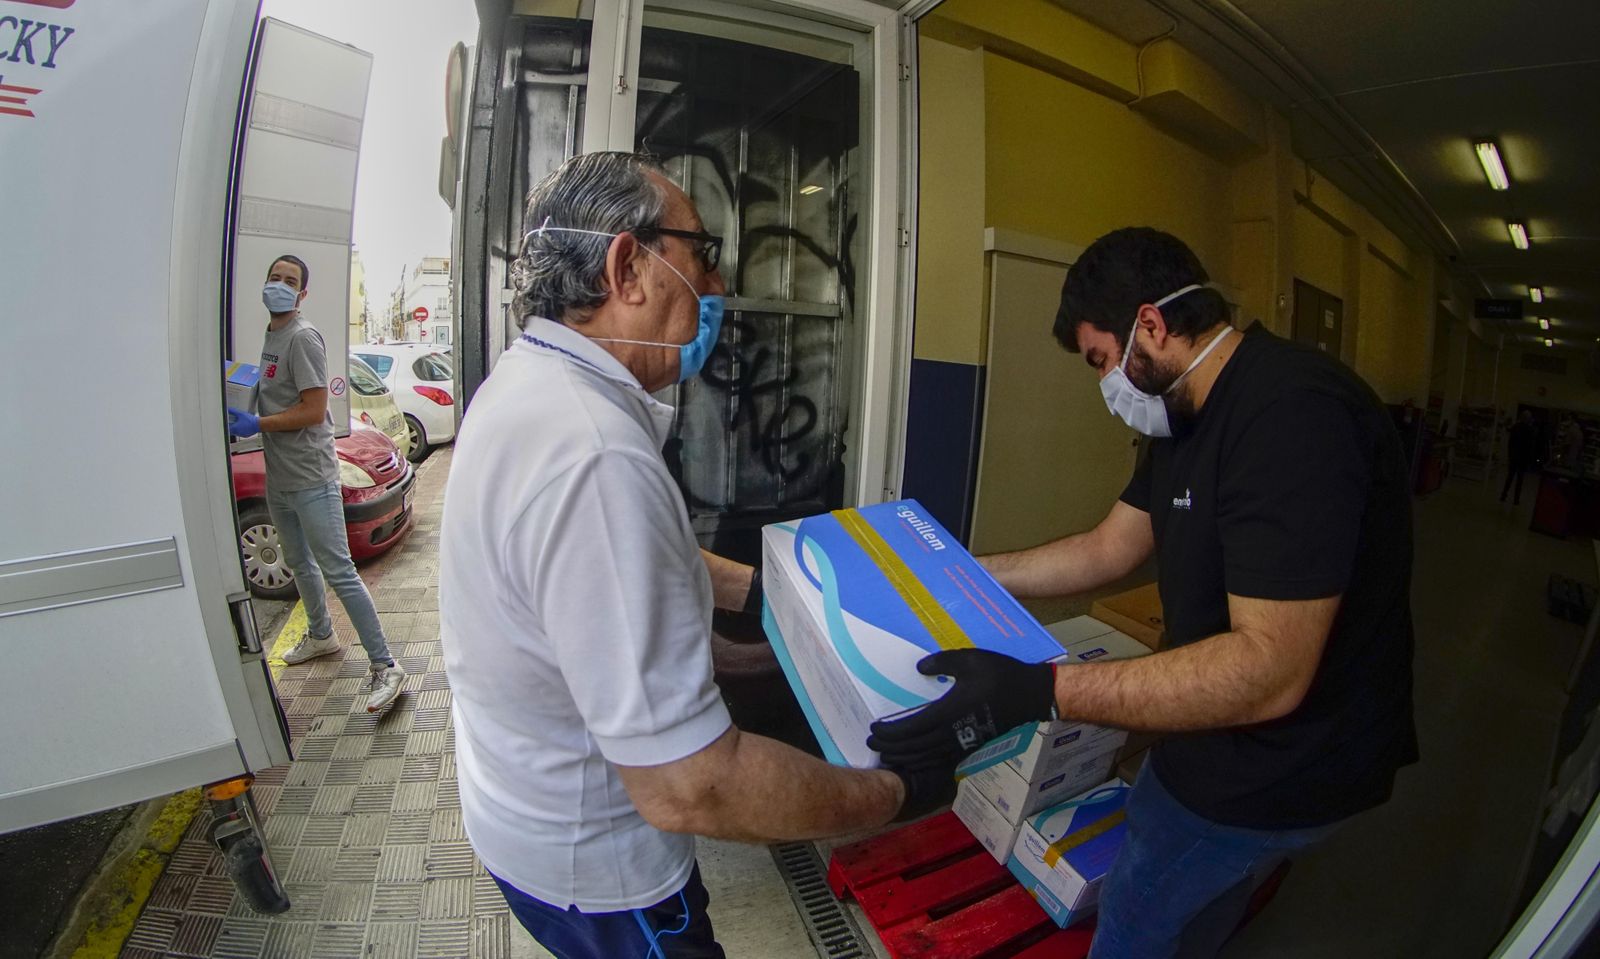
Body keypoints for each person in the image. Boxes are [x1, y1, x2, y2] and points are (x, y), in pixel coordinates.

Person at [438, 152, 944, 959]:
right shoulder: (594, 454)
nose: (716, 288)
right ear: (627, 266)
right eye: (702, 255)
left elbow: (605, 583)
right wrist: (894, 790)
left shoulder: (529, 388)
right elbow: (695, 784)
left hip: (520, 821)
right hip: (604, 877)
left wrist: (780, 604)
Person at [869, 227, 1418, 959]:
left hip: (1285, 763)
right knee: (1187, 880)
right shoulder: (1181, 416)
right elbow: (1109, 548)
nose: (1106, 385)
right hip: (1218, 738)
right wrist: (960, 573)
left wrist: (1041, 690)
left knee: (1136, 910)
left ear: (1151, 324)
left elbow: (1270, 670)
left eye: (1102, 360)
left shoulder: (1290, 415)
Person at [226, 255, 405, 714]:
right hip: (281, 477)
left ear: (302, 294)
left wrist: (257, 423)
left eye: (290, 282)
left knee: (339, 570)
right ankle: (322, 635)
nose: (280, 286)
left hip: (311, 477)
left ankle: (386, 665)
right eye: (275, 278)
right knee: (298, 563)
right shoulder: (272, 336)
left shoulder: (303, 337)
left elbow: (312, 409)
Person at [1501, 410, 1538, 504]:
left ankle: (1503, 495)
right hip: (1523, 458)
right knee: (1520, 479)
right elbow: (1531, 446)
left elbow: (1511, 442)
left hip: (1514, 456)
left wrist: (1510, 454)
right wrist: (1530, 459)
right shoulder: (1530, 430)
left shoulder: (1516, 427)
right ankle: (1516, 499)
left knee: (1510, 477)